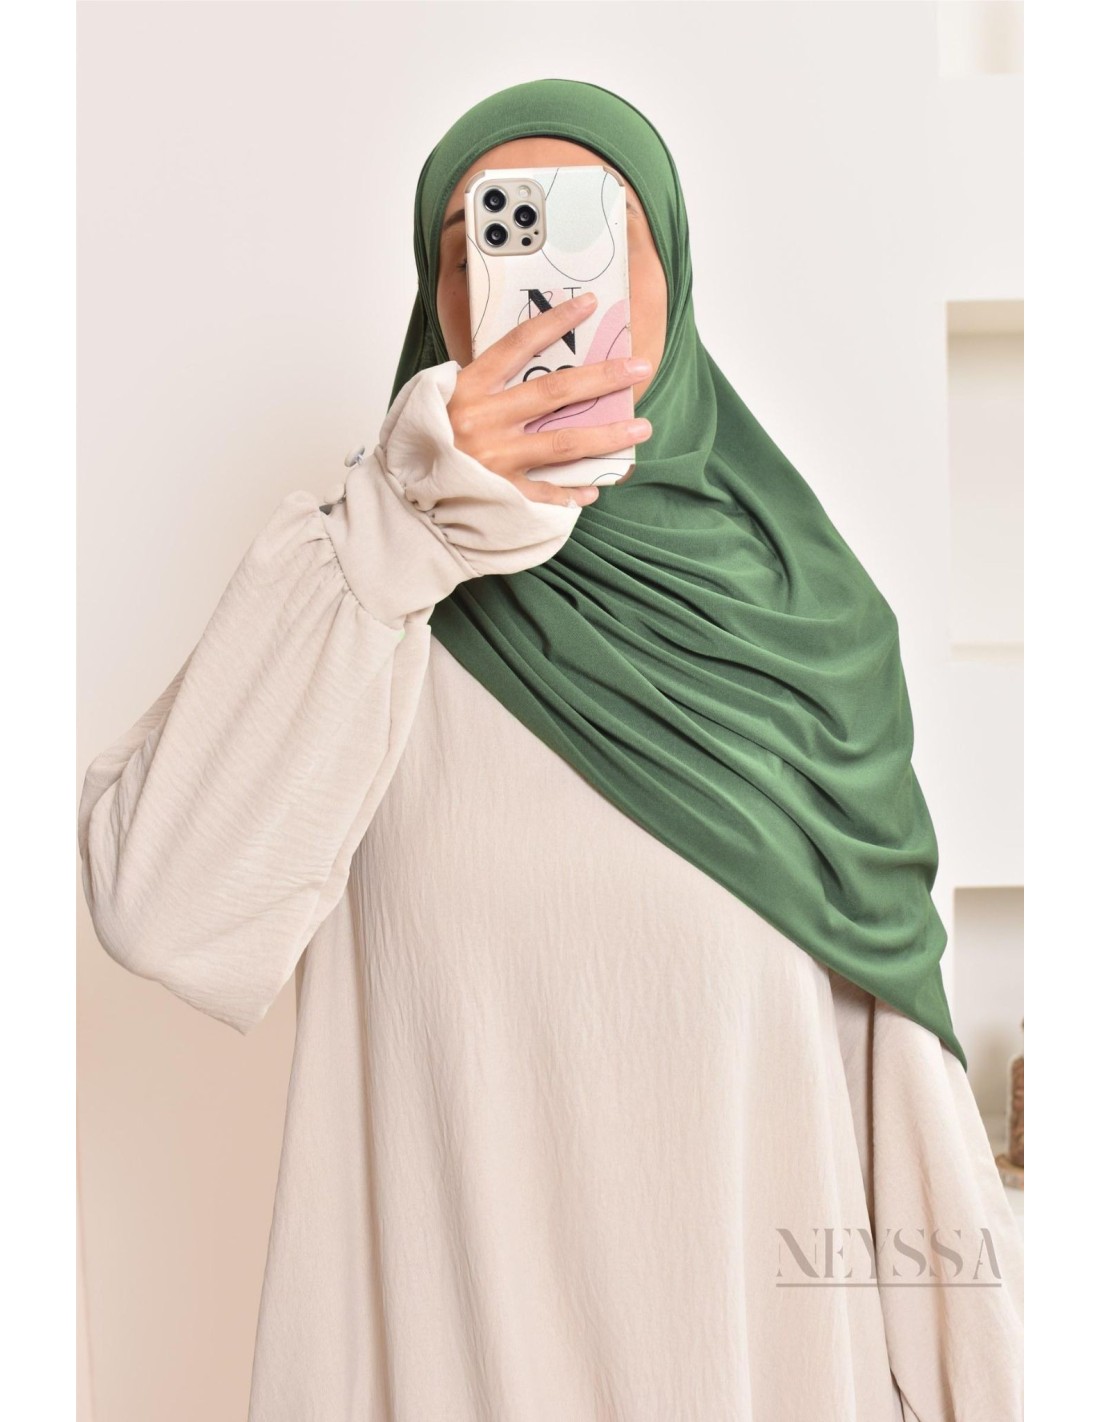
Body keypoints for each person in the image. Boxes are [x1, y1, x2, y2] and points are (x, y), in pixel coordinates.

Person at [78, 79, 1023, 1420]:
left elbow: (904, 1103)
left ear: (670, 279)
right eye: (479, 245)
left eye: (588, 230)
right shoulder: (357, 608)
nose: (534, 286)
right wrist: (408, 523)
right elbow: (160, 909)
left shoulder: (808, 636)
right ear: (439, 311)